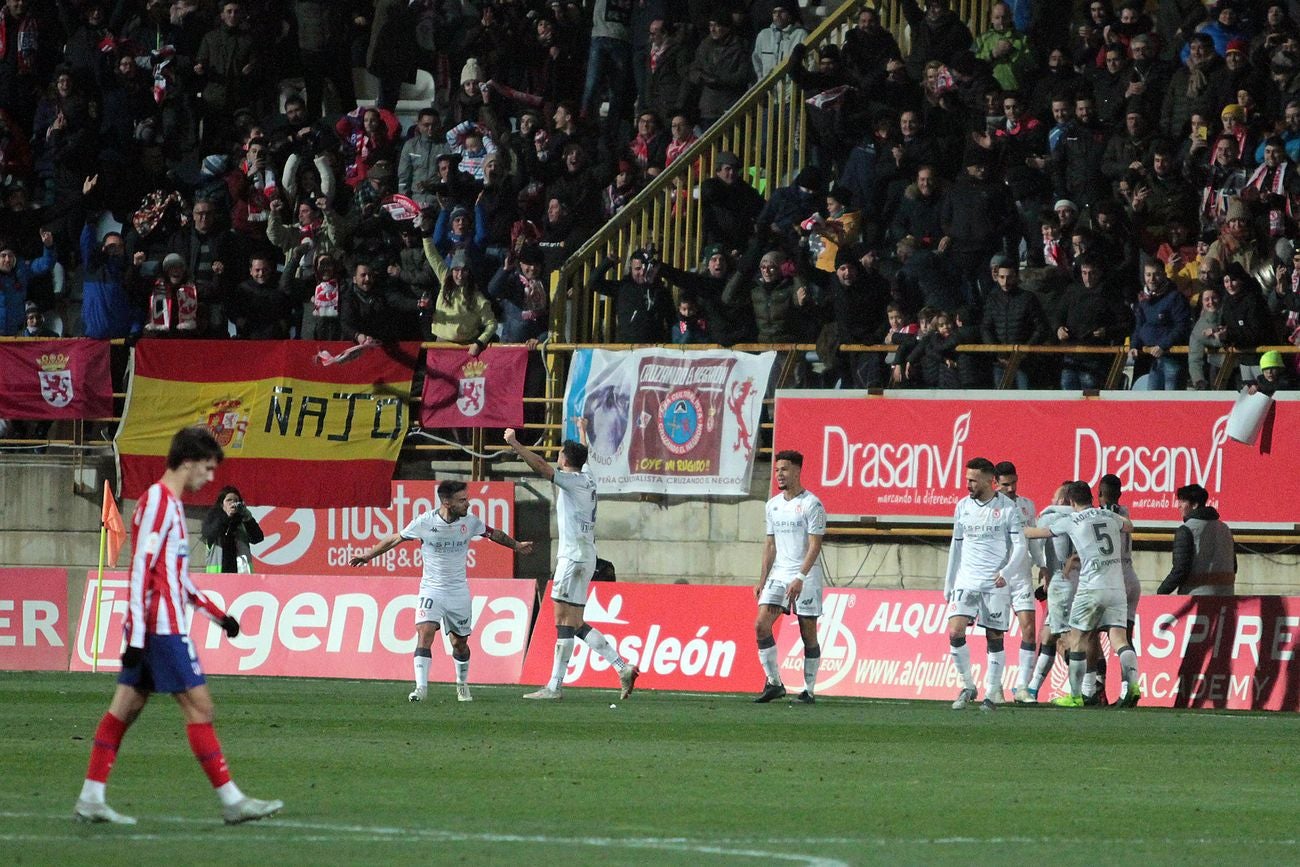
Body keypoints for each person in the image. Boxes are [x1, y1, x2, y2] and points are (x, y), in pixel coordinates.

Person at [73, 427, 282, 826]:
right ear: (187, 463)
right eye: (206, 468)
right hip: (158, 630)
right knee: (200, 707)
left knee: (125, 709)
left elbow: (178, 578)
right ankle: (232, 800)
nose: (210, 477)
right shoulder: (157, 503)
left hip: (159, 626)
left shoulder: (169, 505)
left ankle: (91, 797)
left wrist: (219, 616)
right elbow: (141, 571)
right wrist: (136, 638)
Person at [348, 481, 532, 703]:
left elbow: (494, 534)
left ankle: (462, 685)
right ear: (447, 502)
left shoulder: (470, 523)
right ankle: (421, 689)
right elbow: (395, 538)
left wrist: (516, 546)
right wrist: (368, 556)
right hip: (431, 589)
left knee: (459, 643)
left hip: (458, 591)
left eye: (467, 498)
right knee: (425, 633)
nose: (468, 503)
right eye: (462, 500)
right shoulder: (425, 522)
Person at [504, 422, 639, 700]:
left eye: (561, 454)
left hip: (571, 556)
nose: (558, 457)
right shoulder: (588, 477)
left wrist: (515, 444)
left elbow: (541, 466)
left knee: (562, 621)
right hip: (587, 556)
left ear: (565, 460)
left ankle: (554, 686)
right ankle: (621, 666)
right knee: (575, 623)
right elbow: (583, 454)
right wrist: (582, 429)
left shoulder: (571, 479)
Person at [1025, 481, 1141, 709]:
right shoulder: (1109, 516)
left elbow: (1038, 532)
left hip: (1090, 588)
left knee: (1078, 639)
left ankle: (1076, 695)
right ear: (1091, 497)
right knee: (1120, 640)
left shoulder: (1070, 521)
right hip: (1117, 588)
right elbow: (1129, 526)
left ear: (1070, 501)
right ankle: (1133, 685)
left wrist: (1017, 529)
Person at [944, 457, 1026, 710]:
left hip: (994, 583)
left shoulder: (1007, 509)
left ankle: (991, 691)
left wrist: (1007, 572)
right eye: (967, 479)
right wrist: (949, 583)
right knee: (955, 631)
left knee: (994, 637)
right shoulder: (962, 507)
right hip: (966, 580)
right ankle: (968, 685)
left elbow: (1020, 545)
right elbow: (956, 545)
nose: (968, 484)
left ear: (988, 481)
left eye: (972, 480)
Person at [751, 449, 827, 703]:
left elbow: (815, 545)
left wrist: (801, 578)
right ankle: (774, 683)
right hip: (780, 574)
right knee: (761, 625)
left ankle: (809, 690)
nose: (779, 474)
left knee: (808, 633)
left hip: (807, 575)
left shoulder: (812, 504)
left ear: (797, 470)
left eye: (784, 469)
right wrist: (762, 580)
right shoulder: (772, 506)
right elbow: (770, 545)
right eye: (776, 470)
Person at [1024, 483, 1077, 701]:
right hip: (1079, 582)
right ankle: (1033, 688)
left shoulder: (1052, 517)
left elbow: (1033, 542)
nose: (1052, 501)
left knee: (1065, 639)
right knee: (1047, 636)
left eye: (1055, 497)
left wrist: (1041, 566)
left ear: (1064, 500)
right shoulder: (1084, 518)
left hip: (1061, 583)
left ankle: (1079, 691)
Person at [993, 461, 1040, 705]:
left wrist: (1042, 565)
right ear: (995, 484)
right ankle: (995, 684)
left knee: (1029, 629)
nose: (1011, 489)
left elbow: (1032, 540)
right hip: (998, 578)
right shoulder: (990, 508)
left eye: (1014, 483)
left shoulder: (1026, 506)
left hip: (1021, 576)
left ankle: (1022, 687)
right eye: (1005, 485)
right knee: (996, 632)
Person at [1157, 483, 1237, 596]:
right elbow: (1234, 566)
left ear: (1194, 505)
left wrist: (1160, 593)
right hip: (1227, 597)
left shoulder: (1187, 530)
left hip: (1196, 599)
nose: (1178, 506)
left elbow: (1180, 570)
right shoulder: (1225, 528)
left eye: (1183, 501)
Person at [200, 486, 264, 574]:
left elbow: (258, 538)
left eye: (236, 500)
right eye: (229, 500)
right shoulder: (213, 520)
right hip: (217, 577)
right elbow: (210, 533)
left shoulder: (242, 523)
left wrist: (248, 518)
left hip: (241, 576)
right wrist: (227, 516)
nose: (233, 503)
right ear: (222, 504)